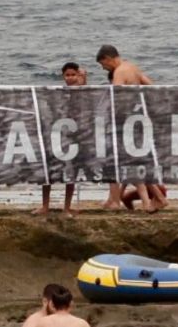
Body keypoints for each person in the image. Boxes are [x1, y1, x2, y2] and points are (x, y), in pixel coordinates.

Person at [96, 44, 166, 212]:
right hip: (136, 120)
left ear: (108, 58)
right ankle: (154, 198)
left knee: (118, 161)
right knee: (132, 162)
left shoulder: (119, 72)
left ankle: (130, 201)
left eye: (103, 64)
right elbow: (150, 86)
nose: (103, 68)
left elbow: (116, 99)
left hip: (123, 122)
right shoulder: (133, 67)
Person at [39, 62, 90, 215]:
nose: (70, 78)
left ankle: (67, 207)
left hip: (74, 136)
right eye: (67, 75)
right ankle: (45, 205)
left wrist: (83, 78)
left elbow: (84, 92)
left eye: (73, 75)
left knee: (71, 173)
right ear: (63, 76)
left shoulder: (82, 91)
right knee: (49, 171)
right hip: (58, 134)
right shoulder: (59, 92)